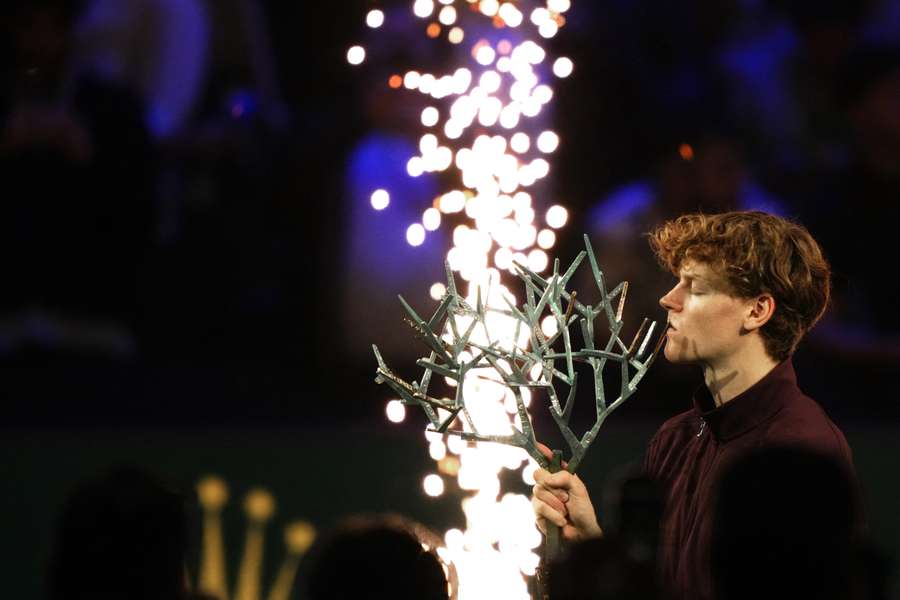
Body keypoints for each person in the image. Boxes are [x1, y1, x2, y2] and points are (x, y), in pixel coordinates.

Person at [531, 211, 856, 600]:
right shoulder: (676, 438)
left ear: (757, 310)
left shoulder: (803, 450)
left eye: (696, 288)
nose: (668, 299)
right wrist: (591, 539)